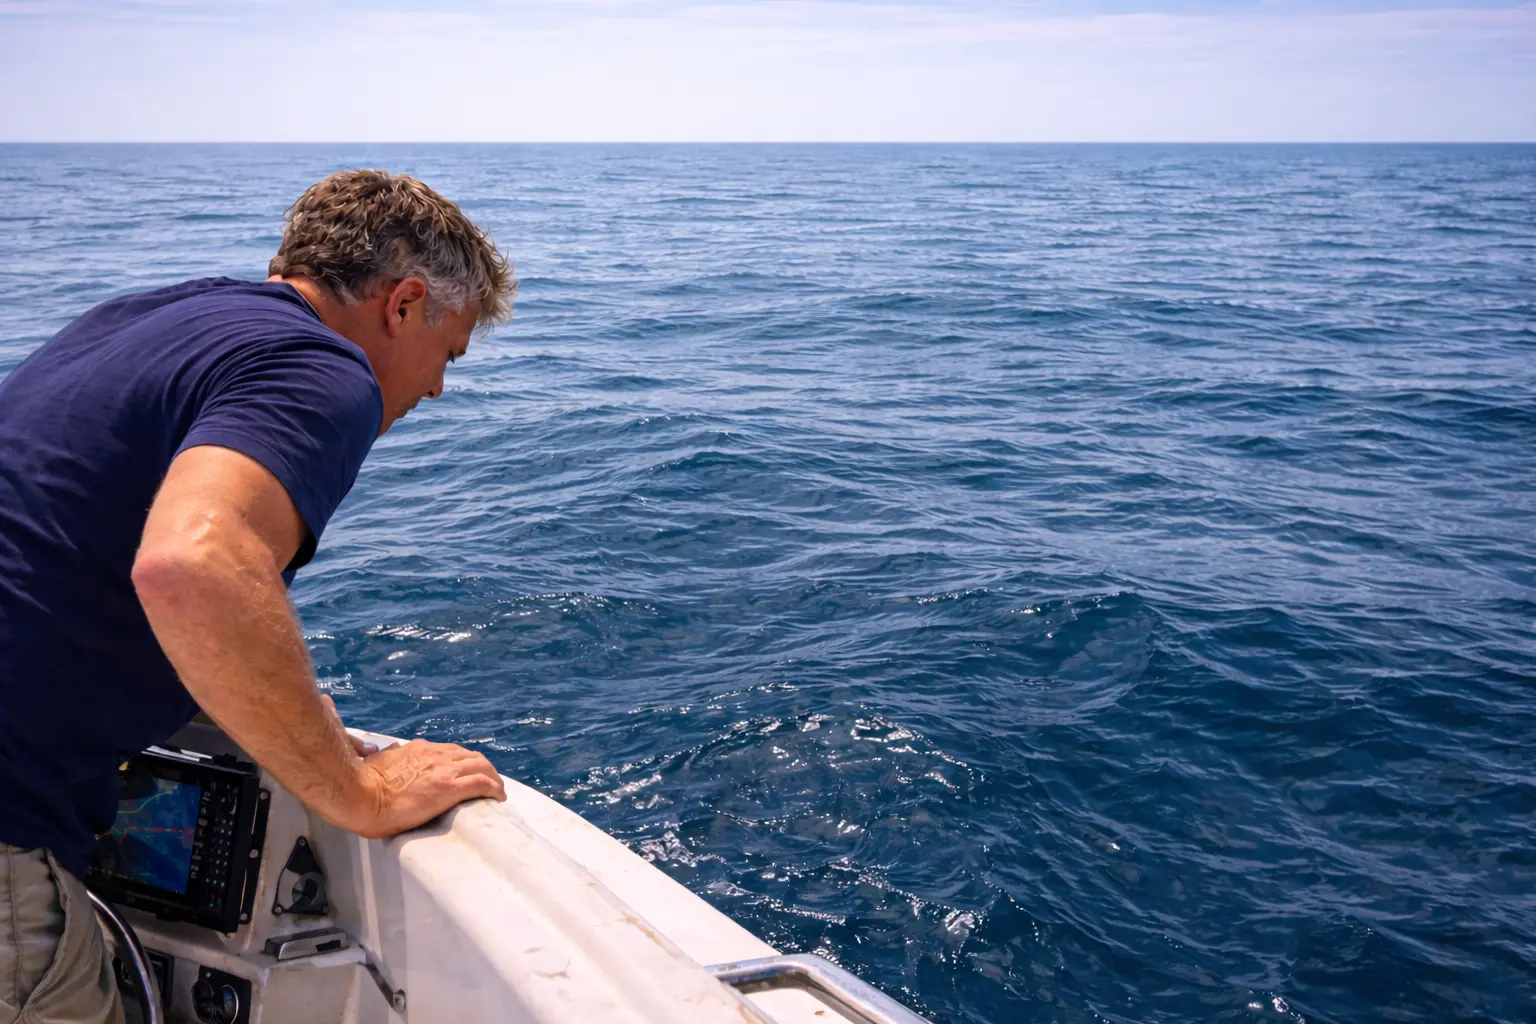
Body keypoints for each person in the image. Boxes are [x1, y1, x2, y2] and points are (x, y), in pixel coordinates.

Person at [0, 169, 515, 1023]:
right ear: (404, 304)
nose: (436, 389)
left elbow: (54, 541)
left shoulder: (141, 318)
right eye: (447, 355)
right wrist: (360, 796)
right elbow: (193, 566)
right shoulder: (324, 368)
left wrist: (278, 714)